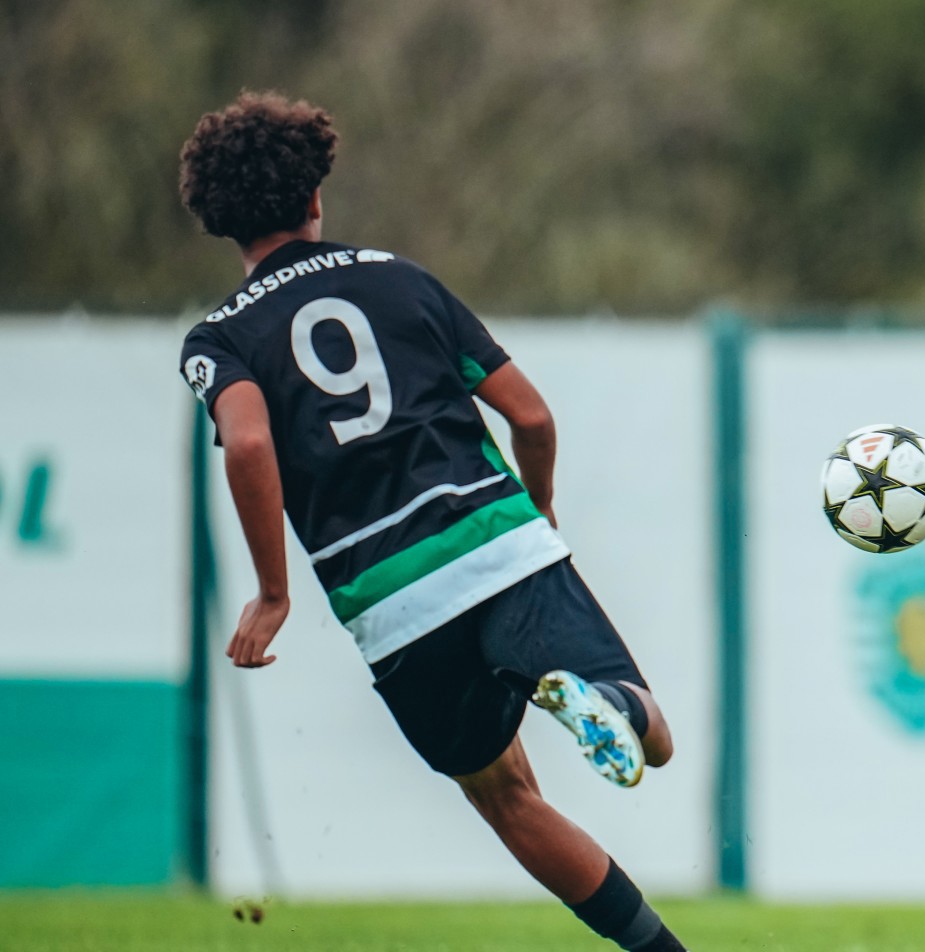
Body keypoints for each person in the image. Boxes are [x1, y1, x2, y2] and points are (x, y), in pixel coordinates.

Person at [176, 91, 686, 952]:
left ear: (220, 220)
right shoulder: (399, 279)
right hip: (498, 544)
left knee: (506, 798)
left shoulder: (217, 338)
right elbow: (531, 416)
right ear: (314, 196)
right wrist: (539, 510)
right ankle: (601, 704)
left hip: (391, 602)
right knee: (654, 739)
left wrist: (273, 593)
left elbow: (249, 441)